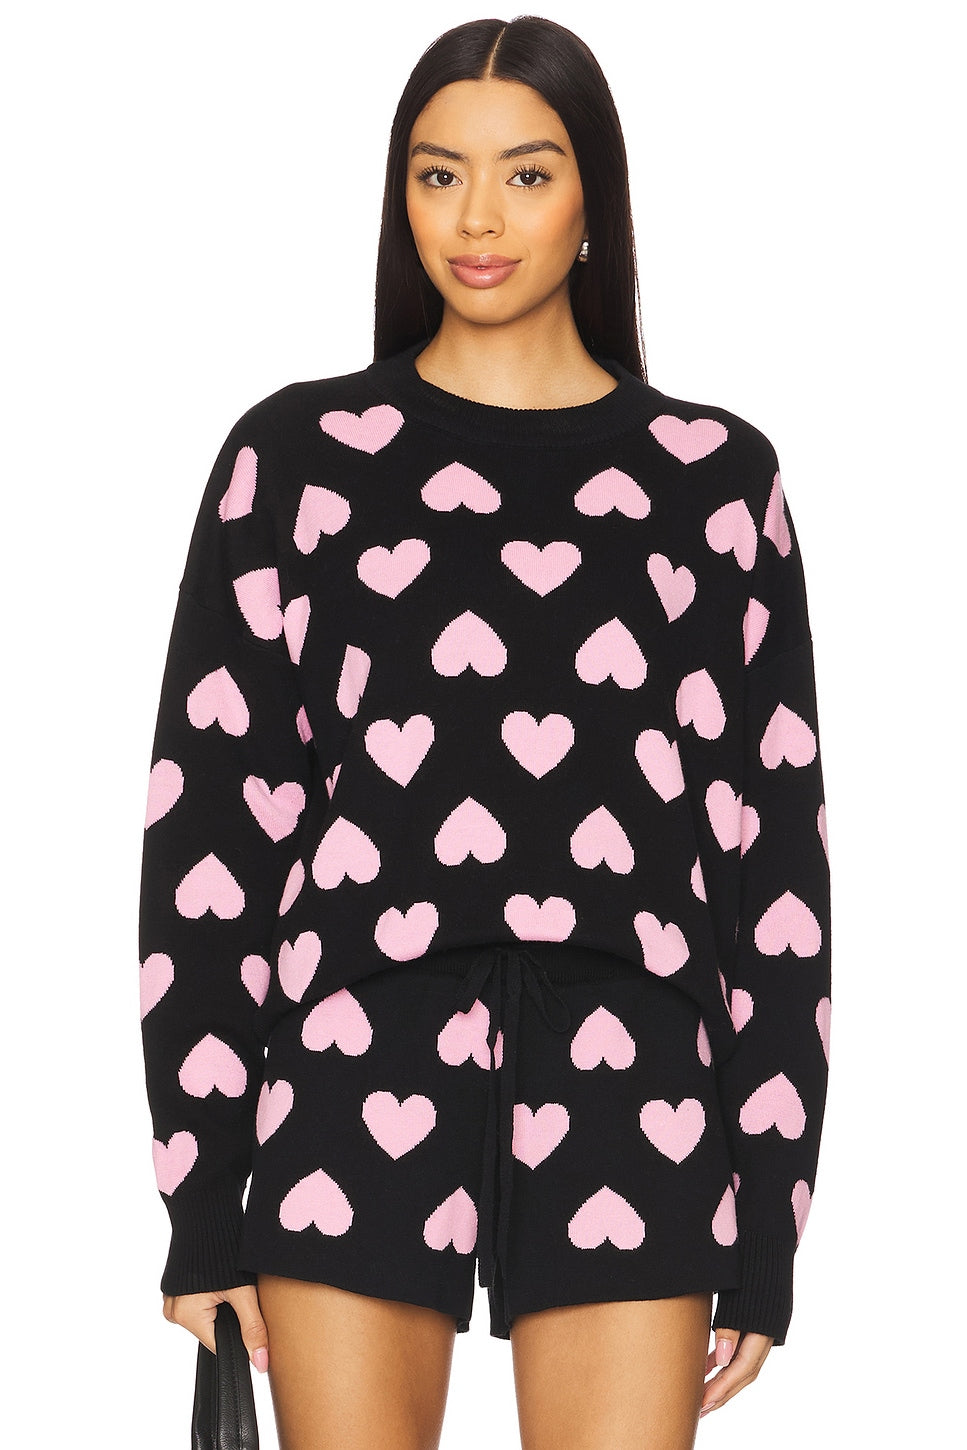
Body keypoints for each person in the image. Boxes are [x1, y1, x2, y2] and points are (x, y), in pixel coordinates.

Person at [139, 15, 831, 1449]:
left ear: (593, 199)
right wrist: (202, 1202)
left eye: (526, 173)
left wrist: (768, 1219)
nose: (476, 219)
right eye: (438, 173)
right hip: (351, 1058)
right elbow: (211, 835)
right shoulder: (297, 463)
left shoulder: (714, 482)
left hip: (635, 1069)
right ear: (400, 196)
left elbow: (770, 868)